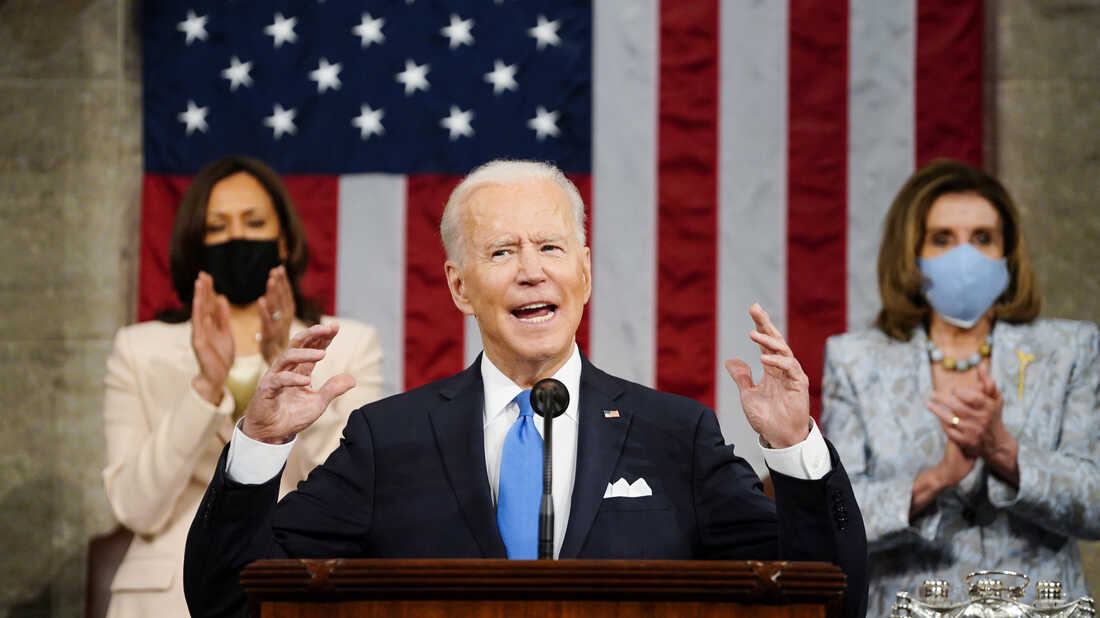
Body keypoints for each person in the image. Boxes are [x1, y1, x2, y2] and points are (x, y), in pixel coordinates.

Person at [183, 160, 868, 618]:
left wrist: (794, 449)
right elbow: (228, 601)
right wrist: (260, 444)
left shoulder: (675, 436)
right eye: (502, 252)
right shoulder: (388, 440)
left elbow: (826, 601)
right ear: (459, 287)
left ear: (586, 273)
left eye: (550, 247)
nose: (532, 272)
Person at [101, 156, 383, 618]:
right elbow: (135, 508)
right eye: (218, 227)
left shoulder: (348, 343)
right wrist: (205, 388)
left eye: (254, 222)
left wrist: (285, 366)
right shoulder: (139, 349)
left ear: (285, 240)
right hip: (165, 600)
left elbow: (358, 491)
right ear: (197, 243)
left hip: (304, 589)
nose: (238, 238)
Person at [821, 159, 1099, 615]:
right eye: (942, 239)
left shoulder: (1069, 349)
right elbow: (837, 520)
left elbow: (1094, 503)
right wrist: (936, 480)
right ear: (911, 253)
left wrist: (1007, 454)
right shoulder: (857, 360)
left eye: (982, 238)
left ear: (1008, 253)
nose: (963, 257)